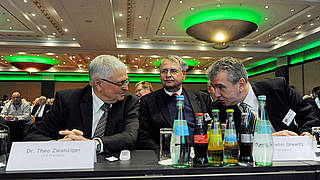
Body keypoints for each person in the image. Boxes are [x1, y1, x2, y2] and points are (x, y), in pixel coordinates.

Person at [25, 55, 139, 155]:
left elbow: (130, 136)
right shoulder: (67, 100)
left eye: (127, 81)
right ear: (98, 84)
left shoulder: (129, 101)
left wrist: (93, 145)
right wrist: (58, 146)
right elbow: (34, 134)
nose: (126, 87)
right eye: (120, 83)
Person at [206, 56, 320, 137]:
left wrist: (307, 133)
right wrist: (270, 139)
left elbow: (309, 114)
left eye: (221, 87)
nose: (216, 94)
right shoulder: (218, 110)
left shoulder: (277, 88)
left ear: (240, 84)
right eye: (214, 87)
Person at [138, 55, 212, 151]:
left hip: (198, 156)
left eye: (173, 71)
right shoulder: (148, 101)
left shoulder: (201, 98)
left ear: (184, 75)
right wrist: (164, 154)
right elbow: (144, 136)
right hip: (164, 157)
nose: (168, 75)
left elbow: (210, 129)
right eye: (164, 71)